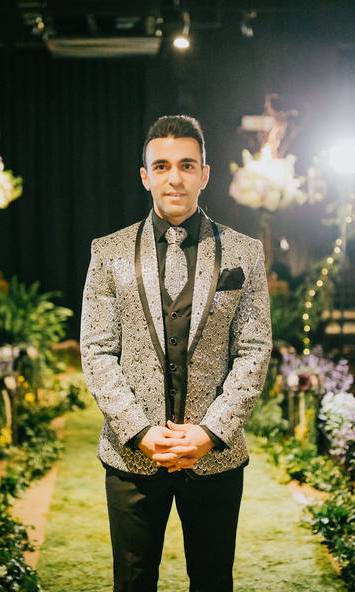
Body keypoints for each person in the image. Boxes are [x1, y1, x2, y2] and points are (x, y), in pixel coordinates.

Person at [80, 115, 272, 592]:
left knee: (212, 580)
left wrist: (211, 432)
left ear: (204, 174)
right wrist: (140, 432)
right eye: (161, 166)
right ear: (144, 175)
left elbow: (253, 350)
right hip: (133, 456)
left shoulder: (245, 254)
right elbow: (97, 351)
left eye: (187, 165)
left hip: (214, 456)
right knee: (133, 580)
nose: (174, 177)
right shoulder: (109, 252)